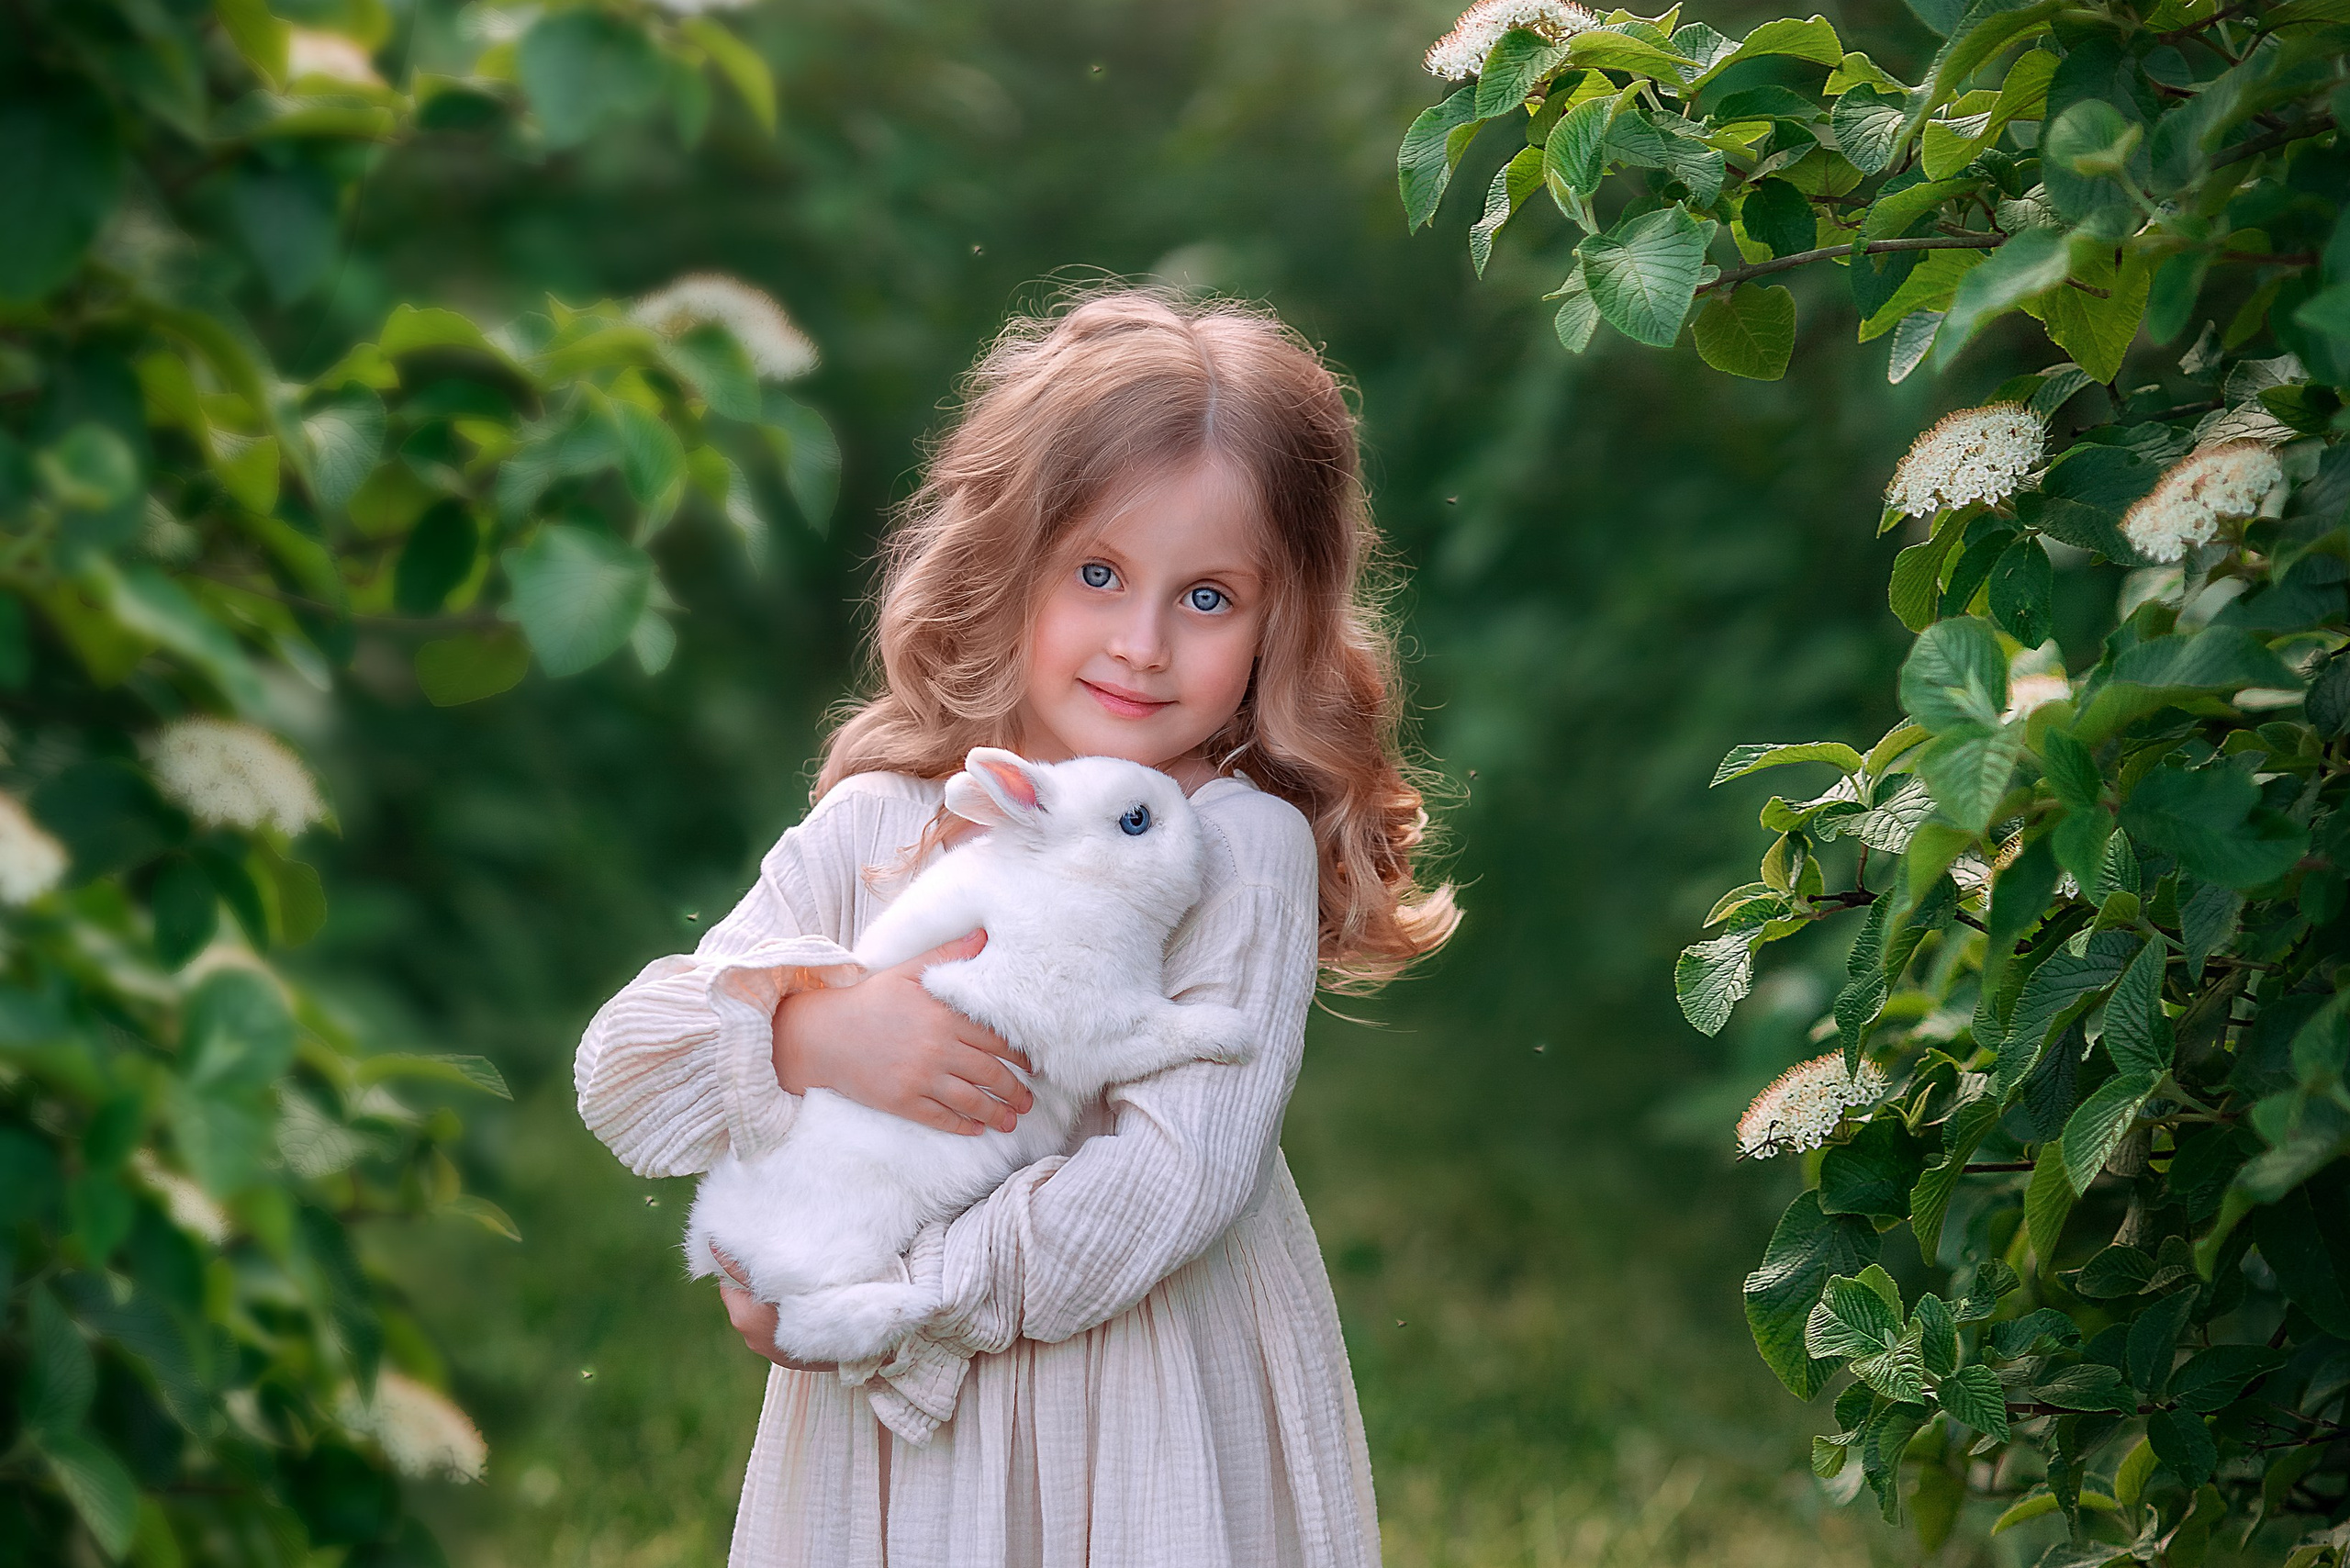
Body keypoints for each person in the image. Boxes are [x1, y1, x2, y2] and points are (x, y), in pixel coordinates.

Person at [574, 288, 1459, 1567]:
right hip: (893, 1459)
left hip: (1150, 1401)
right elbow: (627, 1066)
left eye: (1207, 597)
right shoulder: (883, 823)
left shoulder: (1231, 848)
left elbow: (1172, 1185)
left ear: (1283, 620)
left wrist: (896, 1298)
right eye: (1098, 573)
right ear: (1013, 560)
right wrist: (818, 1032)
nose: (1141, 645)